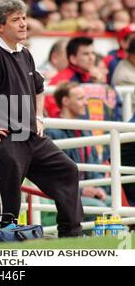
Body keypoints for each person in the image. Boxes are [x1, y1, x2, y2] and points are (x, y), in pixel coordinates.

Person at [0, 0, 83, 237]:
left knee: (67, 170)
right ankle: (3, 243)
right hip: (3, 138)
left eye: (24, 18)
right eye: (16, 20)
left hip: (31, 136)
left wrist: (38, 118)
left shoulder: (24, 53)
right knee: (6, 204)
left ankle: (71, 235)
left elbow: (39, 88)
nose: (23, 24)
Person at [44, 82, 111, 224]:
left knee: (114, 203)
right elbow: (55, 174)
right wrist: (81, 190)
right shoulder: (51, 132)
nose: (86, 103)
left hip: (86, 193)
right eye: (80, 99)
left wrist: (98, 188)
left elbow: (95, 166)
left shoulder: (85, 130)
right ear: (66, 101)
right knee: (99, 207)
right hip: (68, 195)